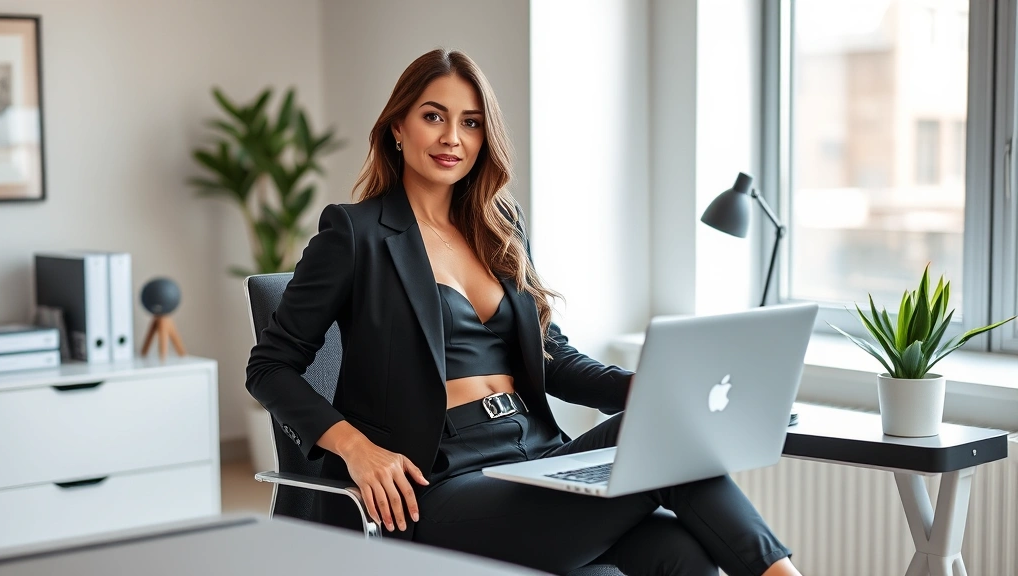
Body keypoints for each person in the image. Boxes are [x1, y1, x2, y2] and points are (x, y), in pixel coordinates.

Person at [246, 48, 803, 576]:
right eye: (433, 116)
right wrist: (357, 448)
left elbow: (551, 355)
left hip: (535, 455)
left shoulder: (500, 226)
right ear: (397, 127)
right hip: (440, 482)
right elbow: (269, 367)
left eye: (470, 122)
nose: (452, 137)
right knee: (665, 442)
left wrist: (649, 389)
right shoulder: (355, 233)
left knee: (682, 549)